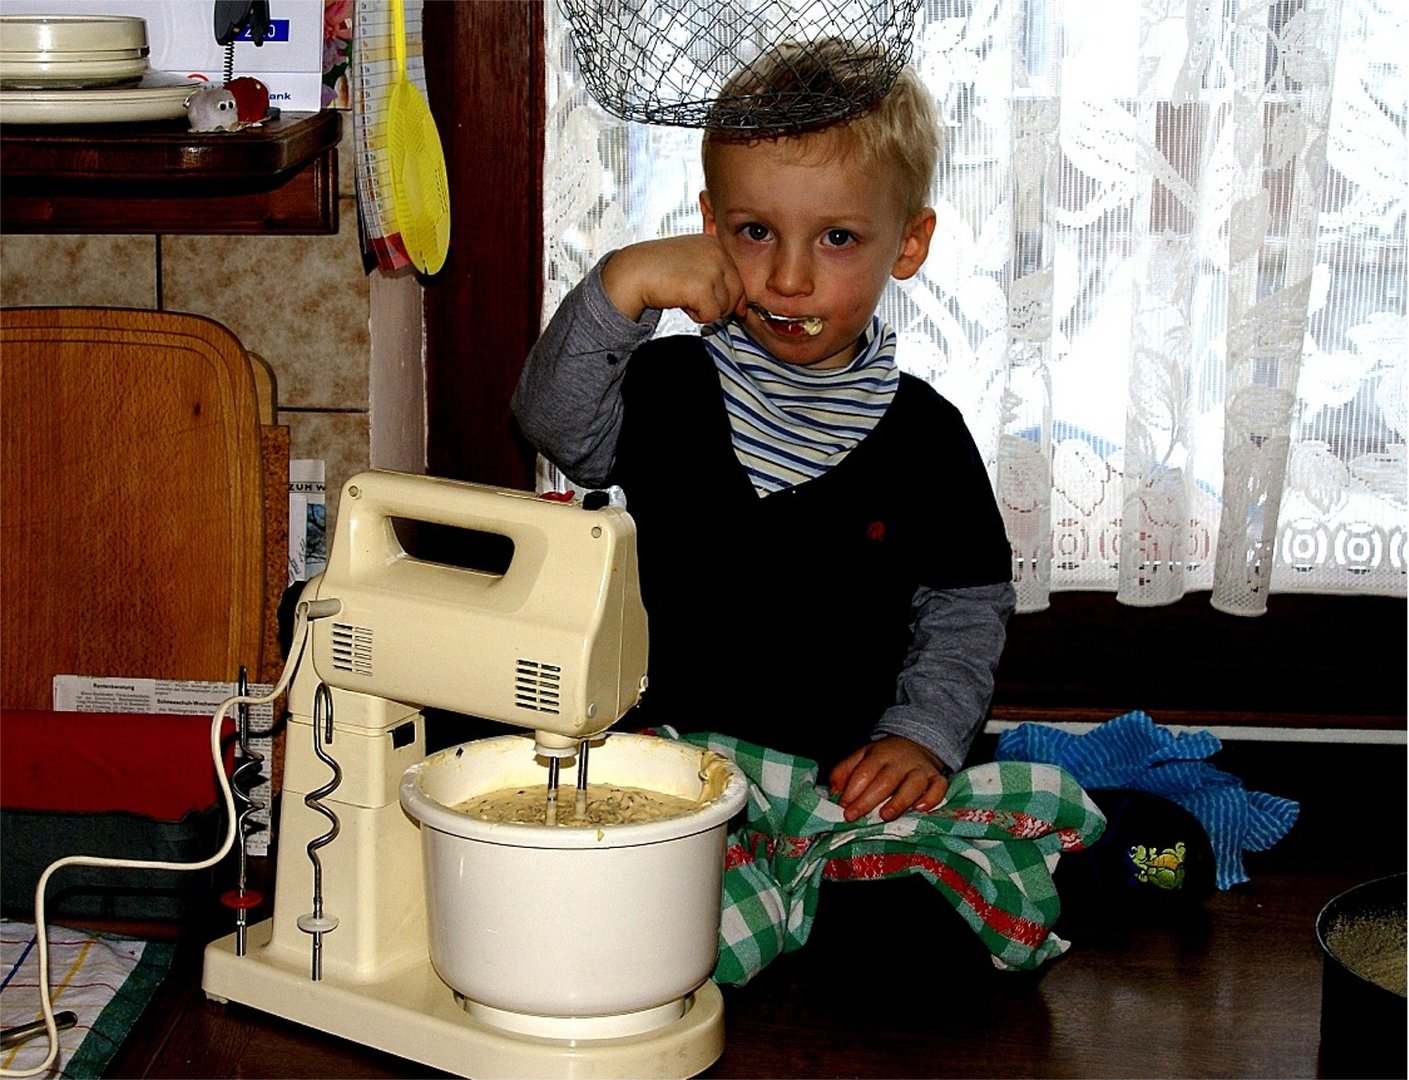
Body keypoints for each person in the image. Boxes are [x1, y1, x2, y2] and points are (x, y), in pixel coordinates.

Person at [512, 40, 1015, 826]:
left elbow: (964, 607)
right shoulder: (666, 383)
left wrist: (919, 737)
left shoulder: (926, 437)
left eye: (836, 239)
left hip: (840, 789)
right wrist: (619, 287)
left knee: (949, 902)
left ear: (908, 244)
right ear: (710, 223)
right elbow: (550, 420)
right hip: (657, 777)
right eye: (754, 232)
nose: (788, 277)